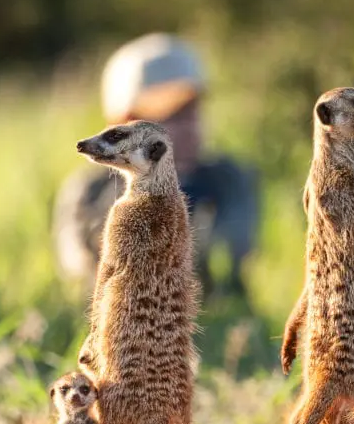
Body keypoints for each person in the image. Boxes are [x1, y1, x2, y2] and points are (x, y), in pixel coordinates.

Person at [52, 33, 259, 302]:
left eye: (189, 112)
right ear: (121, 124)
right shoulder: (90, 190)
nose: (184, 128)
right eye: (163, 118)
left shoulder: (226, 179)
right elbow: (78, 264)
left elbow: (234, 249)